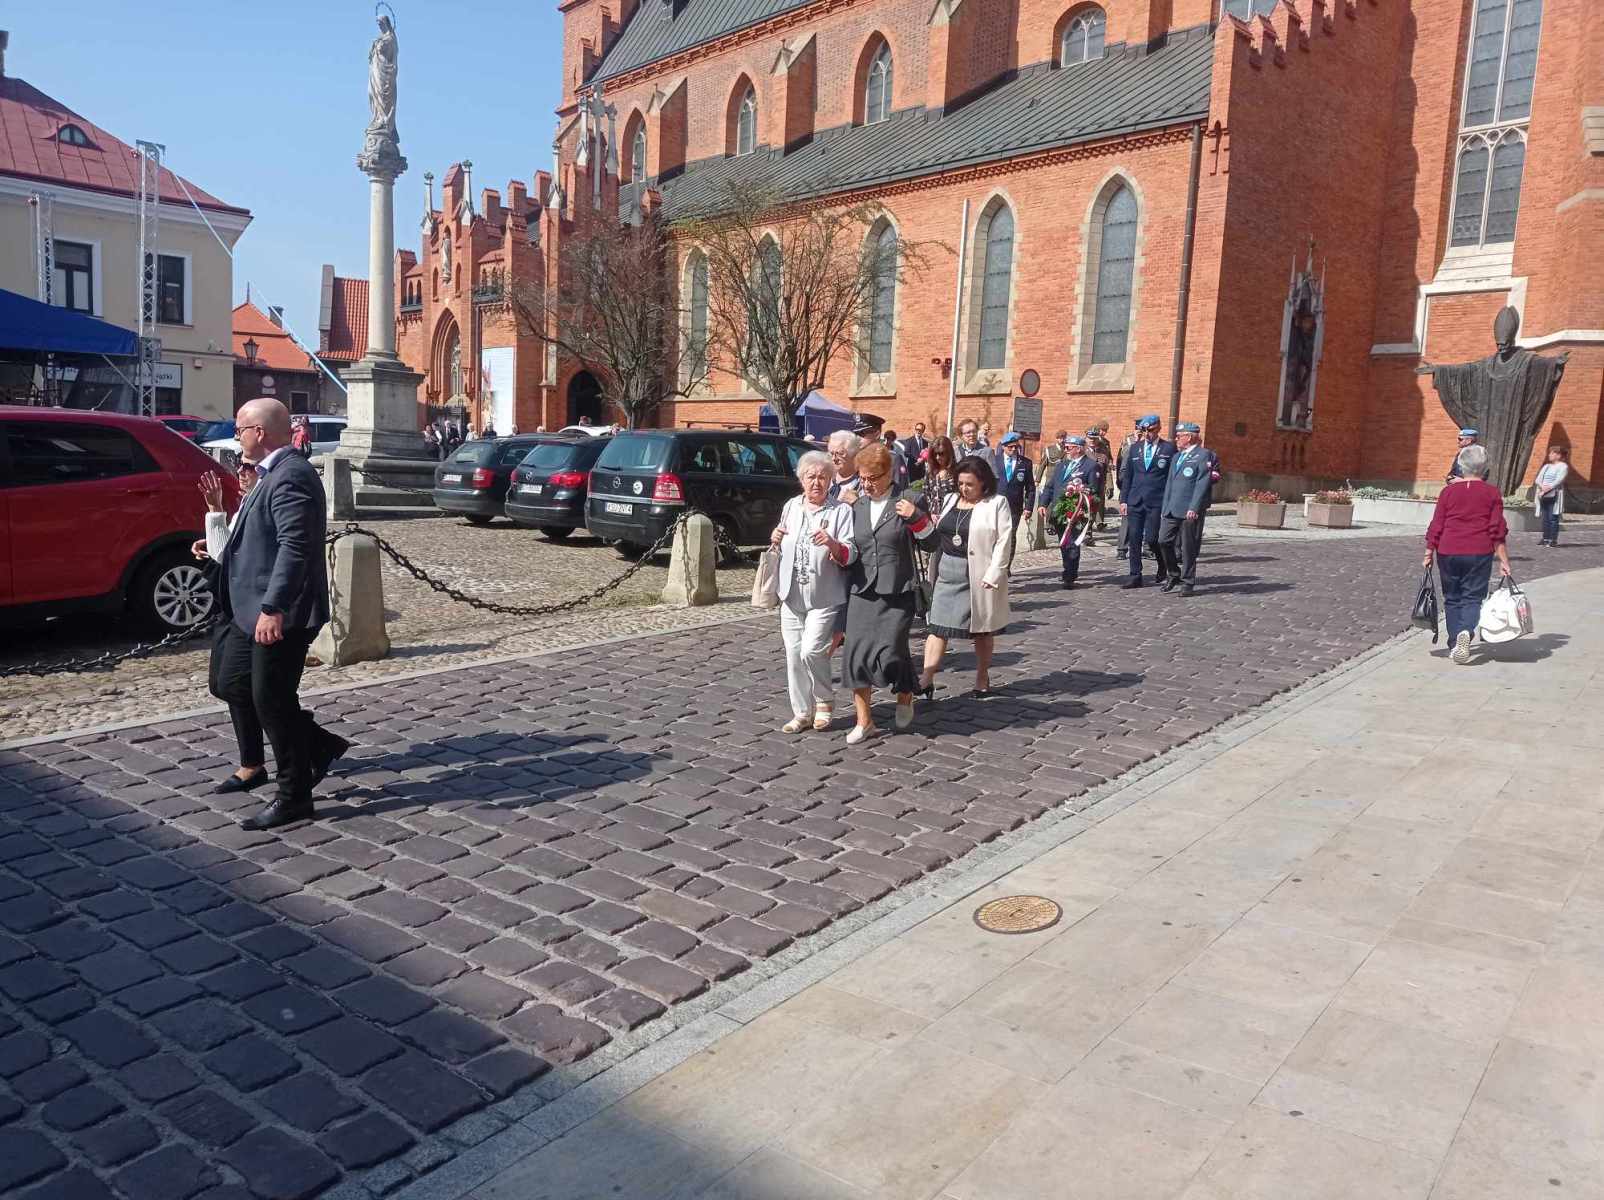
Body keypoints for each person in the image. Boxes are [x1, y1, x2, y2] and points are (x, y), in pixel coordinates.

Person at [208, 398, 349, 830]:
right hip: (247, 606)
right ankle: (317, 746)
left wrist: (274, 607)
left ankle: (294, 796)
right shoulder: (268, 473)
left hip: (280, 612)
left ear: (260, 432)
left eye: (240, 430)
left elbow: (295, 547)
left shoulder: (291, 475)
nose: (236, 437)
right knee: (230, 683)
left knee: (272, 701)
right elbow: (263, 534)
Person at [840, 443, 929, 743]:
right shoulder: (857, 506)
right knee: (856, 655)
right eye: (862, 478)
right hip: (862, 589)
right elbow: (851, 545)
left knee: (892, 651)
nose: (866, 484)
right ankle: (864, 721)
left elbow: (932, 543)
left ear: (889, 473)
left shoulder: (909, 499)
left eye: (873, 478)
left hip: (897, 590)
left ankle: (905, 692)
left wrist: (916, 518)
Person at [770, 451, 855, 732]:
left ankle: (824, 700)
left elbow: (850, 553)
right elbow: (780, 543)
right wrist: (775, 538)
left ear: (830, 481)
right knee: (794, 656)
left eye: (822, 477)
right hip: (791, 593)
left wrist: (832, 544)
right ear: (801, 479)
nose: (816, 482)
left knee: (811, 650)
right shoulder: (791, 506)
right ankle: (802, 713)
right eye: (811, 477)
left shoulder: (840, 511)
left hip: (825, 594)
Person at [918, 455, 1012, 696]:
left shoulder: (996, 503)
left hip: (978, 574)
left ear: (983, 482)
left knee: (981, 629)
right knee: (937, 627)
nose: (964, 488)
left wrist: (994, 573)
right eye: (960, 483)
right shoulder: (951, 499)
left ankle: (982, 675)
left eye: (970, 484)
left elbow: (1004, 541)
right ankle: (926, 678)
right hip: (946, 571)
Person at [1425, 443, 1511, 664]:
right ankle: (1466, 631)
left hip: (1448, 549)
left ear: (1461, 466)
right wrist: (1504, 560)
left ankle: (1455, 641)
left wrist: (1428, 551)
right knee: (1473, 597)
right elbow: (1496, 529)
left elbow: (1437, 523)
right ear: (1484, 468)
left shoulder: (1448, 492)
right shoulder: (1491, 493)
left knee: (1452, 597)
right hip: (1478, 551)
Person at [1156, 421, 1219, 596]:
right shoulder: (1177, 456)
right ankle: (1173, 573)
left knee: (1188, 548)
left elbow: (1202, 483)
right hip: (1171, 508)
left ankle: (1188, 582)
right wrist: (1165, 506)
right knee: (1163, 541)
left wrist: (1194, 507)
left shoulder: (1203, 455)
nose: (1176, 439)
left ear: (1189, 437)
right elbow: (1170, 483)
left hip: (1188, 509)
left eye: (1179, 436)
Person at [1116, 414, 1175, 589]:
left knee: (1152, 538)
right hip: (1135, 499)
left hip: (1156, 500)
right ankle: (1135, 575)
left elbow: (1172, 477)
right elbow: (1128, 476)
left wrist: (1169, 500)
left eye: (1150, 430)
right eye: (1144, 431)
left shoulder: (1168, 448)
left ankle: (1162, 564)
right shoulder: (1135, 448)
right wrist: (1123, 500)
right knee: (1134, 538)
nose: (1147, 434)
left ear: (1158, 428)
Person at [1036, 436, 1100, 588]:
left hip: (1076, 511)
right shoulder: (1062, 465)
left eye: (1068, 448)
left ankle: (1070, 575)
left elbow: (1094, 489)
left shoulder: (1091, 465)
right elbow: (1050, 486)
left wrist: (1081, 492)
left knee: (1072, 543)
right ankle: (1068, 569)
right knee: (1063, 542)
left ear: (1078, 448)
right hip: (1059, 510)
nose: (1065, 450)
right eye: (1065, 447)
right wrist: (1043, 504)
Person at [991, 432, 1035, 563]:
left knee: (1010, 536)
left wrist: (1028, 507)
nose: (1014, 449)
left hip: (1014, 507)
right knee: (994, 535)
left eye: (1016, 446)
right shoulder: (994, 460)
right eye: (1010, 447)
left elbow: (1030, 488)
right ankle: (994, 563)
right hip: (995, 505)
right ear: (1003, 446)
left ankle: (1006, 566)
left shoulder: (1025, 463)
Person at [1535, 446, 1568, 546]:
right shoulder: (1547, 466)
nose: (1549, 455)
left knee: (1553, 517)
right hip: (1543, 494)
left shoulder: (1563, 466)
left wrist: (1548, 488)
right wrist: (1542, 487)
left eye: (1552, 453)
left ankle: (1553, 539)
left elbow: (1558, 480)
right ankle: (1545, 538)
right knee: (1545, 518)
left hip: (1554, 495)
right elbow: (1538, 479)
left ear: (1558, 455)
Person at [826, 430, 862, 502]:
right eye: (832, 453)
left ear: (853, 454)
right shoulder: (826, 477)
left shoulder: (862, 482)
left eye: (839, 453)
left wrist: (857, 504)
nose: (834, 458)